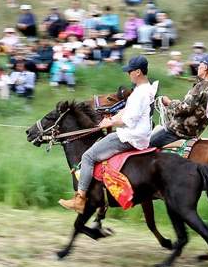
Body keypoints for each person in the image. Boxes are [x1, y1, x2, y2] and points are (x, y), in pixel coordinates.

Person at [59, 55, 158, 213]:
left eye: (130, 71)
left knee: (87, 156)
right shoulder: (147, 89)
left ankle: (80, 199)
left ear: (138, 72)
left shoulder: (140, 93)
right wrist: (110, 118)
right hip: (140, 135)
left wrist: (110, 123)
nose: (128, 74)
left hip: (131, 137)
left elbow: (130, 119)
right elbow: (127, 111)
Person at [150, 54, 208, 147]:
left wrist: (169, 102)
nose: (198, 68)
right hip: (193, 135)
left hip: (177, 132)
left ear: (205, 67)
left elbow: (184, 108)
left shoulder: (200, 86)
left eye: (200, 65)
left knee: (148, 145)